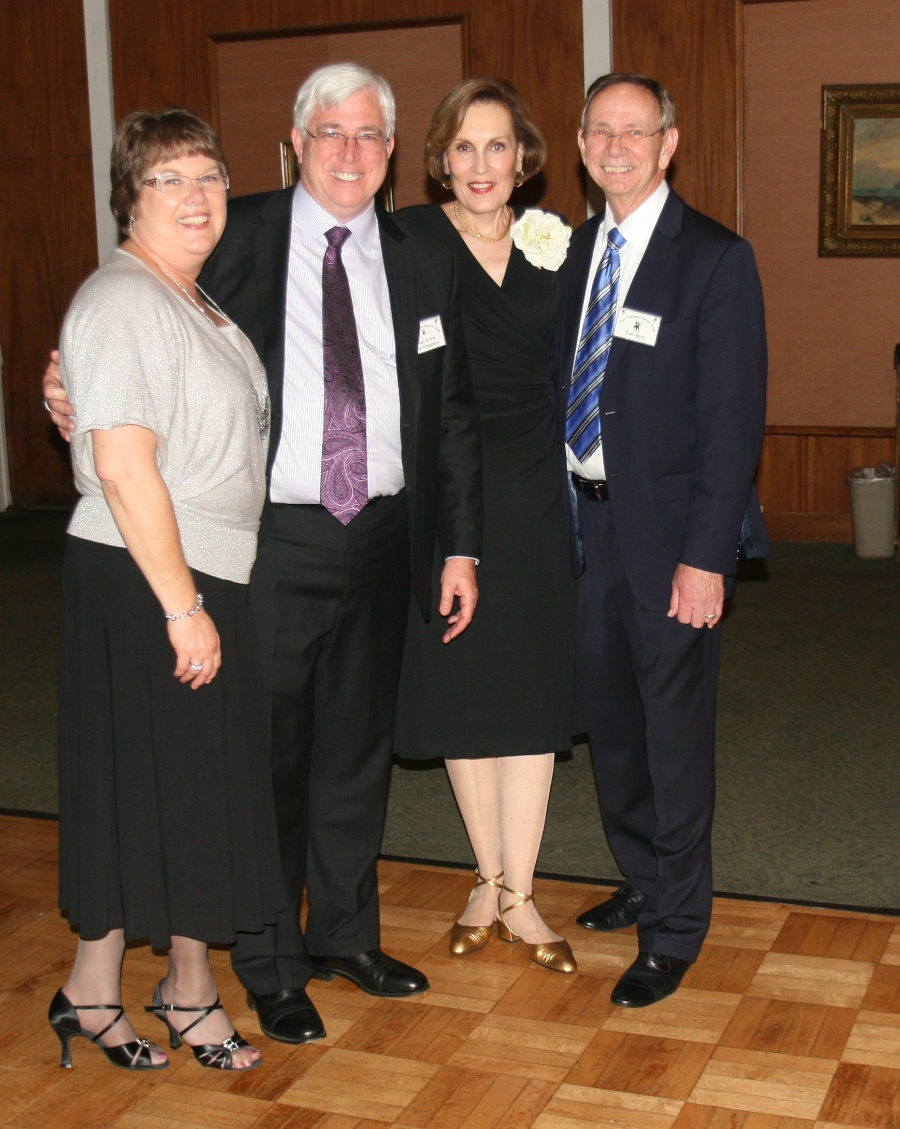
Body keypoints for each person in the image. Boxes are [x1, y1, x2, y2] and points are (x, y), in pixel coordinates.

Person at [46, 63, 482, 1045]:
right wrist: (57, 381)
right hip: (265, 542)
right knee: (268, 757)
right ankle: (272, 962)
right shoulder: (225, 227)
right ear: (294, 141)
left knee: (356, 751)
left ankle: (345, 935)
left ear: (391, 153)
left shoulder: (422, 254)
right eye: (329, 131)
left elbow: (450, 410)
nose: (348, 151)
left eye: (370, 134)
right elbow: (125, 320)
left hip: (381, 535)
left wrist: (461, 546)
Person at [50, 108, 282, 1072]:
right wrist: (183, 607)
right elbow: (127, 467)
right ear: (128, 198)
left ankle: (117, 987)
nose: (196, 195)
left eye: (209, 175)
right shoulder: (125, 299)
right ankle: (143, 991)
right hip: (149, 577)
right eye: (169, 179)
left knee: (188, 793)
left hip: (194, 571)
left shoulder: (191, 297)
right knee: (157, 791)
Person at [553, 74, 767, 1007]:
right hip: (583, 532)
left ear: (669, 143)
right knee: (614, 725)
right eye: (601, 130)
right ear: (581, 142)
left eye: (635, 130)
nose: (617, 145)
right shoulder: (571, 253)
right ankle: (641, 875)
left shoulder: (715, 258)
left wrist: (706, 557)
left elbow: (733, 423)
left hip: (672, 539)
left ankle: (676, 926)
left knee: (674, 736)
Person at [393, 77, 578, 973]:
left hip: (538, 488)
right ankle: (486, 875)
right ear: (438, 157)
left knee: (529, 689)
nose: (479, 164)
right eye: (462, 146)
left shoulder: (558, 247)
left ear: (524, 158)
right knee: (466, 685)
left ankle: (522, 893)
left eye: (497, 145)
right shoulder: (409, 239)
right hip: (447, 494)